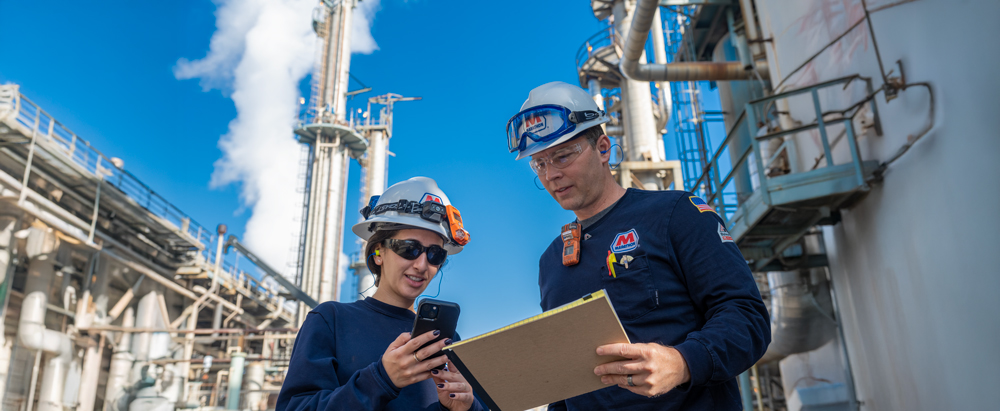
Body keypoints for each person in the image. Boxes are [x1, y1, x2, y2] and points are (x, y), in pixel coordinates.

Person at [505, 81, 770, 410]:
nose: (551, 175)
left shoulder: (677, 215)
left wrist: (682, 362)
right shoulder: (552, 261)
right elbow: (566, 380)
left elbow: (747, 317)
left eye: (561, 156)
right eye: (539, 164)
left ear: (603, 148)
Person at [276, 177, 483, 411]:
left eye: (435, 254)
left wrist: (466, 407)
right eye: (409, 249)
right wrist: (381, 379)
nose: (422, 265)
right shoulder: (331, 321)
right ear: (378, 252)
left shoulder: (445, 339)